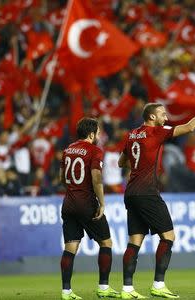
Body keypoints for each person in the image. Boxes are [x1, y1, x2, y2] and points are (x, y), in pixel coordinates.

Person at [117, 93, 195, 299]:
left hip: (131, 192)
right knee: (169, 237)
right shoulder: (156, 132)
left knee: (134, 242)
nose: (165, 117)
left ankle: (127, 289)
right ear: (151, 117)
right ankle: (158, 285)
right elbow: (189, 127)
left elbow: (121, 162)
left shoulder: (132, 134)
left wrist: (139, 162)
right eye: (161, 114)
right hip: (147, 192)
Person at [59, 118, 119, 300]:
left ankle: (66, 292)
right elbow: (96, 178)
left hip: (68, 203)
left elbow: (62, 178)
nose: (99, 135)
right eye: (98, 132)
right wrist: (102, 203)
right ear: (91, 134)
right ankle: (103, 287)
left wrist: (72, 189)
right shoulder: (95, 150)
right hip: (86, 204)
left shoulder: (68, 149)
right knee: (106, 243)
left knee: (70, 247)